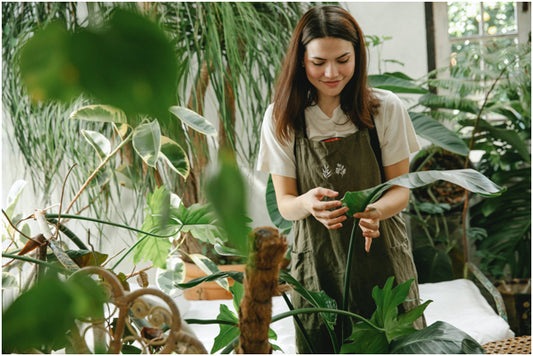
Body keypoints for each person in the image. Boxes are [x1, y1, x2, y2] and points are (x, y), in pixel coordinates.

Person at [257, 5, 425, 354]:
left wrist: (376, 211)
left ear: (358, 56)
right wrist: (307, 203)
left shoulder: (385, 109)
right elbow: (286, 204)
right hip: (318, 266)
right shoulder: (281, 117)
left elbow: (400, 190)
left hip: (382, 257)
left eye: (343, 60)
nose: (331, 73)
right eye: (318, 63)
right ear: (301, 61)